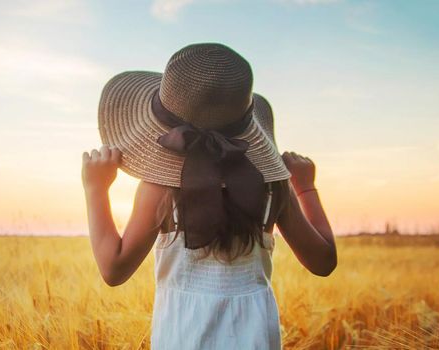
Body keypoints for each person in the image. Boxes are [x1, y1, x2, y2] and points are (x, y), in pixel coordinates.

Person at [81, 43, 337, 349]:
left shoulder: (160, 186)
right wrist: (305, 186)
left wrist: (96, 189)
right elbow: (324, 262)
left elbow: (114, 268)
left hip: (183, 333)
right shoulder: (271, 184)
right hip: (254, 334)